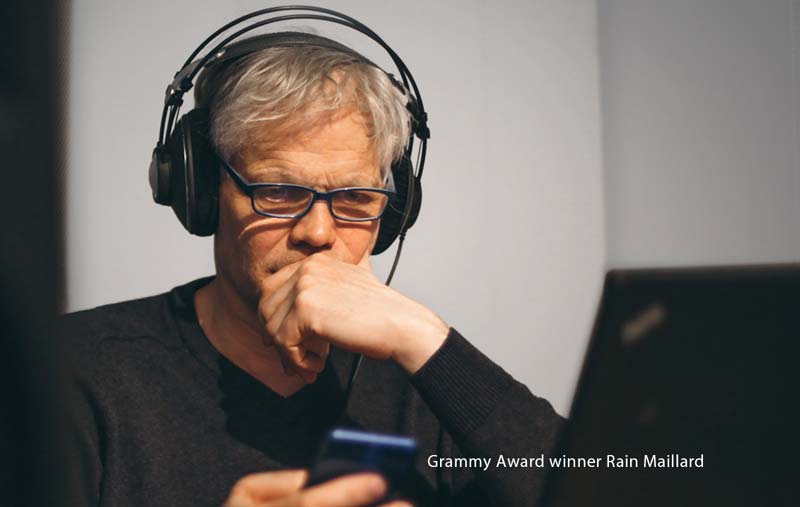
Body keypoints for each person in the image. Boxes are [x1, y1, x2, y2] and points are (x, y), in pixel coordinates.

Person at [61, 25, 563, 507]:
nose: (318, 232)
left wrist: (424, 338)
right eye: (279, 192)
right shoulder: (73, 371)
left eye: (356, 198)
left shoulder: (426, 386)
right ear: (204, 190)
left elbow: (598, 485)